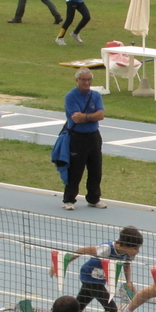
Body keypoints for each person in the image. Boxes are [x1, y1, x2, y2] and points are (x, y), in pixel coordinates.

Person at [54, 226, 144, 312]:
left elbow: (126, 265)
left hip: (101, 279)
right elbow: (82, 250)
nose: (137, 251)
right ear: (125, 245)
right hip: (89, 275)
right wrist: (62, 264)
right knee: (111, 309)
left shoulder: (130, 254)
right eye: (135, 248)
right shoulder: (106, 249)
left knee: (79, 306)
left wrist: (128, 282)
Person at [62, 68, 106, 211]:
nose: (86, 82)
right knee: (75, 170)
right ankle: (69, 199)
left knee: (95, 169)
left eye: (89, 80)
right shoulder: (71, 96)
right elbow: (76, 118)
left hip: (94, 136)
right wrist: (91, 116)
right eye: (83, 80)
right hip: (77, 137)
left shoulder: (96, 95)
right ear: (77, 81)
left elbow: (100, 115)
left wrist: (86, 116)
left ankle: (94, 198)